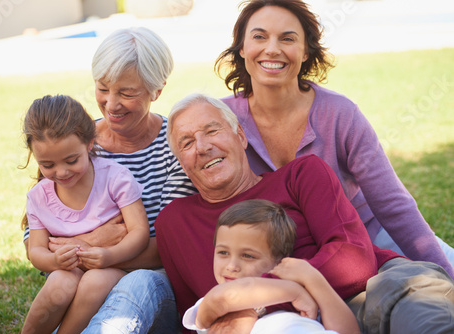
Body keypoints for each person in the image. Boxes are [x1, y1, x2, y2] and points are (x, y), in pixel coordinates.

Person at [156, 93, 454, 334]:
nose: (203, 146)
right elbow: (190, 314)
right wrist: (283, 294)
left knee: (416, 305)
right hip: (277, 327)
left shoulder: (301, 174)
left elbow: (354, 260)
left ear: (240, 137)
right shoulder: (174, 223)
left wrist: (257, 296)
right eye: (187, 142)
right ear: (181, 161)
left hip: (369, 291)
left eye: (212, 130)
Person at [215, 0, 454, 277]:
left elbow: (391, 203)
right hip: (283, 256)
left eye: (287, 38)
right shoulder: (222, 120)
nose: (272, 48)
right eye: (259, 36)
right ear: (242, 47)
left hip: (366, 234)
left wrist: (444, 272)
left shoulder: (340, 114)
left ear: (305, 52)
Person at [21, 27, 196, 333]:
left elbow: (170, 246)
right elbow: (40, 227)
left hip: (147, 283)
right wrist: (86, 248)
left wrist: (89, 248)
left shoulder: (176, 148)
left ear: (157, 90)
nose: (111, 104)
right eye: (103, 88)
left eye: (127, 93)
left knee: (132, 284)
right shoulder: (74, 140)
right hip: (74, 278)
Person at [20, 95, 150, 333]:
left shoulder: (115, 178)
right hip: (67, 270)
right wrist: (54, 261)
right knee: (60, 282)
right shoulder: (39, 197)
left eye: (71, 160)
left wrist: (109, 256)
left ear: (89, 143)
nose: (61, 172)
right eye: (47, 165)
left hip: (113, 266)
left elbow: (139, 232)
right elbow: (35, 250)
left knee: (94, 282)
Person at [182, 199, 359, 334]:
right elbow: (220, 299)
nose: (232, 266)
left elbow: (348, 331)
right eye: (223, 253)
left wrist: (314, 279)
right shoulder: (214, 307)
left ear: (278, 262)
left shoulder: (306, 302)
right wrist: (293, 291)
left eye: (247, 256)